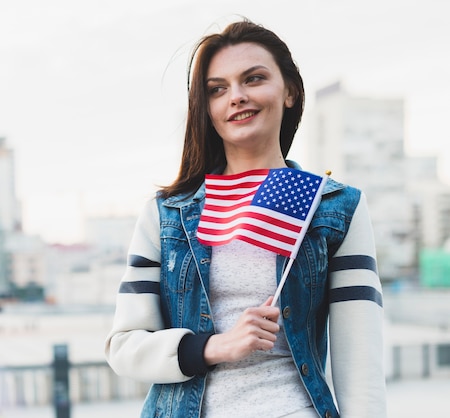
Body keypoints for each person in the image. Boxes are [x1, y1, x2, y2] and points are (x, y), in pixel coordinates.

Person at [104, 18, 386, 418]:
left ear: (289, 92)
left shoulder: (333, 207)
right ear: (208, 109)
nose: (235, 96)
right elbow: (124, 346)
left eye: (253, 79)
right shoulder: (166, 214)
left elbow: (361, 360)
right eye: (217, 89)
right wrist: (213, 346)